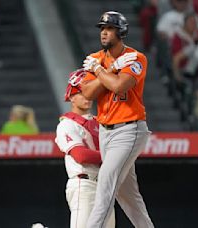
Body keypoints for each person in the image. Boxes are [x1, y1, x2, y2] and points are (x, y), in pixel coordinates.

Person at [80, 11, 154, 228]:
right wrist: (109, 69)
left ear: (121, 31)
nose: (104, 33)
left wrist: (102, 72)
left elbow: (120, 85)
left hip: (129, 129)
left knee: (105, 185)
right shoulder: (96, 59)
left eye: (109, 28)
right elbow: (87, 92)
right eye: (102, 28)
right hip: (105, 130)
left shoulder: (136, 57)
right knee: (129, 197)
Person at [55, 69, 115, 228]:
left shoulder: (100, 123)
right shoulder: (66, 124)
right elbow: (81, 155)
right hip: (84, 184)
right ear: (72, 97)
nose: (87, 96)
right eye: (81, 92)